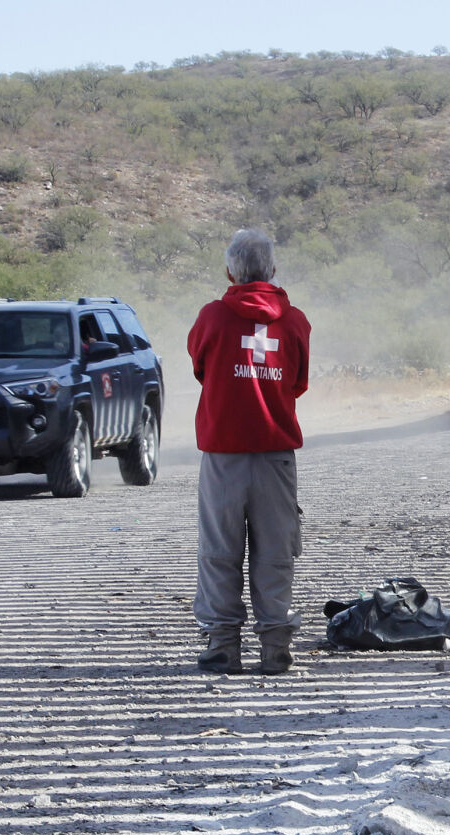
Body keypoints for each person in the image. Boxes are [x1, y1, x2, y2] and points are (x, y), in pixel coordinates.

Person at [187, 228, 312, 675]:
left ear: (229, 271)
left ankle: (223, 645)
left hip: (224, 454)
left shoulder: (212, 318)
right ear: (273, 270)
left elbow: (201, 368)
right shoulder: (294, 321)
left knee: (220, 550)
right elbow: (297, 383)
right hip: (276, 454)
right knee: (275, 549)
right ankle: (275, 645)